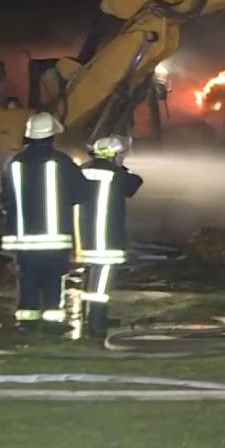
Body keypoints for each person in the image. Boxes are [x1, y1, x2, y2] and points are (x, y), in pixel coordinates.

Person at [0, 112, 85, 334]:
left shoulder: (13, 163)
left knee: (27, 279)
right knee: (53, 281)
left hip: (23, 239)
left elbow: (3, 198)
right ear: (52, 135)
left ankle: (27, 323)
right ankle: (52, 324)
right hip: (54, 239)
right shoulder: (62, 162)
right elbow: (80, 194)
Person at [73, 135, 143, 339]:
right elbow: (134, 184)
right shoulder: (114, 173)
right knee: (101, 285)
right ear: (113, 155)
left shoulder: (82, 170)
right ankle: (97, 325)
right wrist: (122, 168)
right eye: (120, 155)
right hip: (105, 239)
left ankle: (88, 318)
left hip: (84, 238)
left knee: (89, 280)